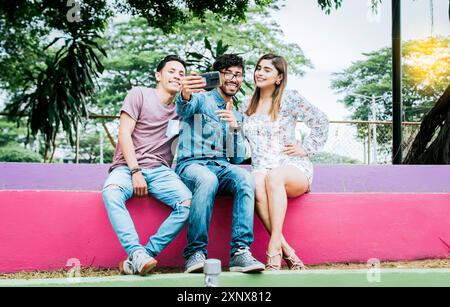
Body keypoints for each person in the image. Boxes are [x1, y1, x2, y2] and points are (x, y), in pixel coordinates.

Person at [102, 55, 192, 276]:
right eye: (171, 71)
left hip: (161, 170)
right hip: (127, 166)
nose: (177, 76)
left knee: (188, 204)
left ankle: (141, 256)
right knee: (111, 193)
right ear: (158, 75)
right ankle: (136, 251)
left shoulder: (183, 109)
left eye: (181, 73)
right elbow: (124, 133)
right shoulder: (139, 94)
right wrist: (135, 171)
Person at [176, 54, 265, 273]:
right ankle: (195, 253)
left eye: (239, 75)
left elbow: (235, 159)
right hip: (192, 164)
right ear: (218, 75)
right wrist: (185, 93)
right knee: (207, 179)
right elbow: (184, 109)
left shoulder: (236, 114)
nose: (234, 79)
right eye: (229, 74)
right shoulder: (201, 99)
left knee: (245, 177)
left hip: (221, 166)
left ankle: (240, 252)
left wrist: (235, 128)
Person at [241, 54, 329, 270]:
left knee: (274, 176)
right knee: (256, 184)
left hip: (292, 166)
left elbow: (320, 120)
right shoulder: (246, 104)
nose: (259, 73)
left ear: (279, 78)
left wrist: (306, 148)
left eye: (267, 70)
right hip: (261, 166)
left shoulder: (290, 99)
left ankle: (274, 248)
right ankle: (288, 251)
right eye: (258, 68)